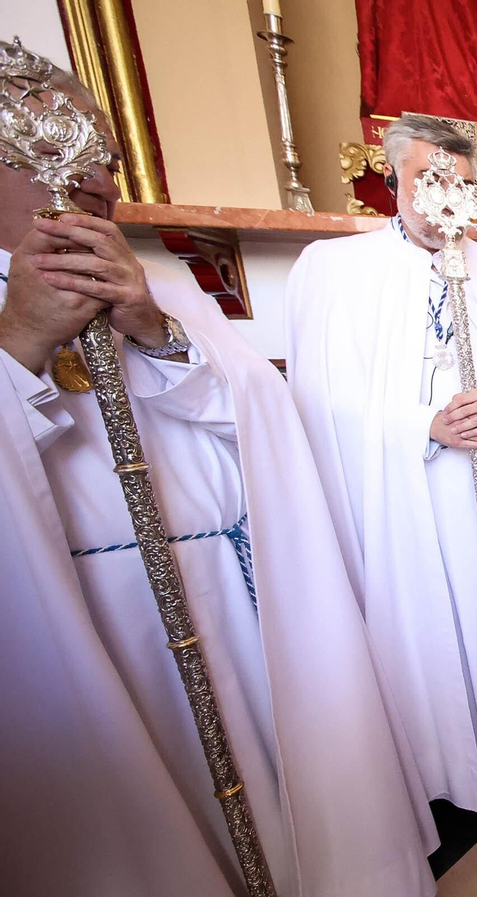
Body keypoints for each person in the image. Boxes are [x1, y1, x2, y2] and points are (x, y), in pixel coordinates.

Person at [0, 46, 436, 896]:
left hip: (232, 594)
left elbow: (263, 415)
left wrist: (157, 333)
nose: (95, 182)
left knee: (287, 800)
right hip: (90, 622)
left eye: (103, 157)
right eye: (53, 151)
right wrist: (20, 346)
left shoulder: (162, 283)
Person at [284, 112, 477, 814]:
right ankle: (458, 769)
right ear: (391, 174)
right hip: (414, 495)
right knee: (438, 634)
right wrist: (421, 423)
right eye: (427, 177)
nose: (442, 193)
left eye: (457, 179)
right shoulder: (335, 272)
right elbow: (318, 403)